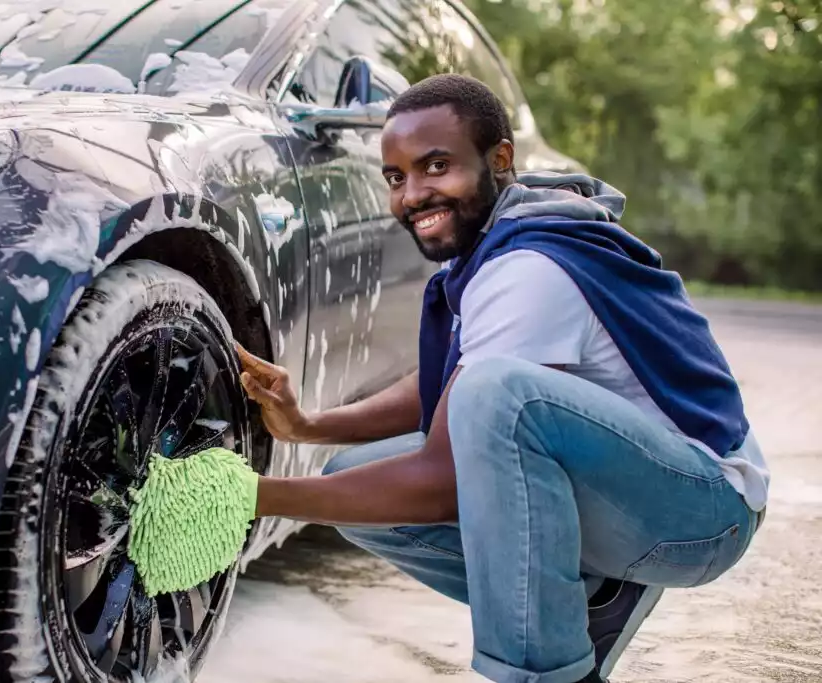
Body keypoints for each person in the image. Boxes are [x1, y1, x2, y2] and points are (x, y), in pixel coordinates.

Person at [236, 73, 769, 683]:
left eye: (436, 166)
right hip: (643, 488)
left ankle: (539, 674)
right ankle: (591, 597)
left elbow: (441, 479)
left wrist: (256, 496)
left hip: (702, 511)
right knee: (351, 477)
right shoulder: (499, 240)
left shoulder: (528, 266)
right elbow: (444, 384)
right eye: (396, 177)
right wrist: (309, 426)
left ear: (500, 159)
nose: (412, 195)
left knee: (500, 400)